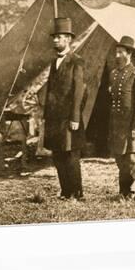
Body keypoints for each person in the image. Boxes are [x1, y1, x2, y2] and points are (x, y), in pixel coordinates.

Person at [43, 17, 86, 201]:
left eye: (59, 37)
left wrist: (75, 117)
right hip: (54, 119)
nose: (55, 41)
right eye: (54, 37)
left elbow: (79, 92)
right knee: (58, 155)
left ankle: (77, 193)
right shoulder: (54, 62)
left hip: (69, 118)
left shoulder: (77, 61)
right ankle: (65, 191)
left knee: (71, 156)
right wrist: (46, 116)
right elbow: (50, 90)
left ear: (68, 39)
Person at [107, 35, 135, 199]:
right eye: (116, 52)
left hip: (131, 125)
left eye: (121, 52)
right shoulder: (114, 74)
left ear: (129, 53)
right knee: (120, 160)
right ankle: (123, 192)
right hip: (117, 126)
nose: (117, 56)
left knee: (132, 160)